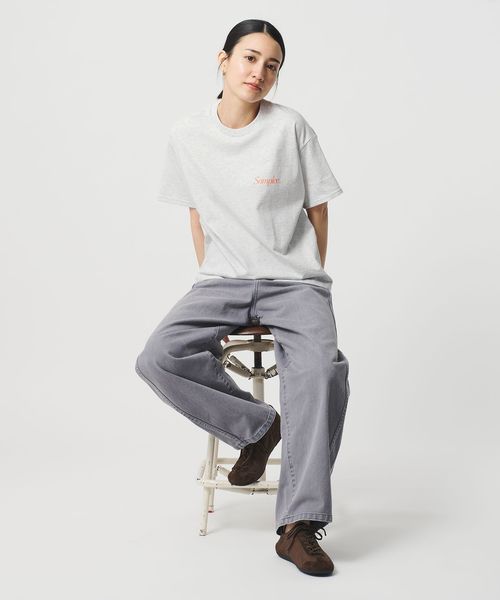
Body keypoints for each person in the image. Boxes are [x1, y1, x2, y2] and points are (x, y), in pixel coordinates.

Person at [135, 19, 350, 577]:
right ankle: (256, 426)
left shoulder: (291, 127)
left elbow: (318, 210)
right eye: (251, 58)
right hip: (221, 281)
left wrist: (307, 276)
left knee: (321, 369)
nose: (260, 72)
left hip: (293, 282)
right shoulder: (187, 134)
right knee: (158, 356)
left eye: (272, 65)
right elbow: (196, 214)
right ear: (224, 59)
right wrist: (212, 272)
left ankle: (299, 526)